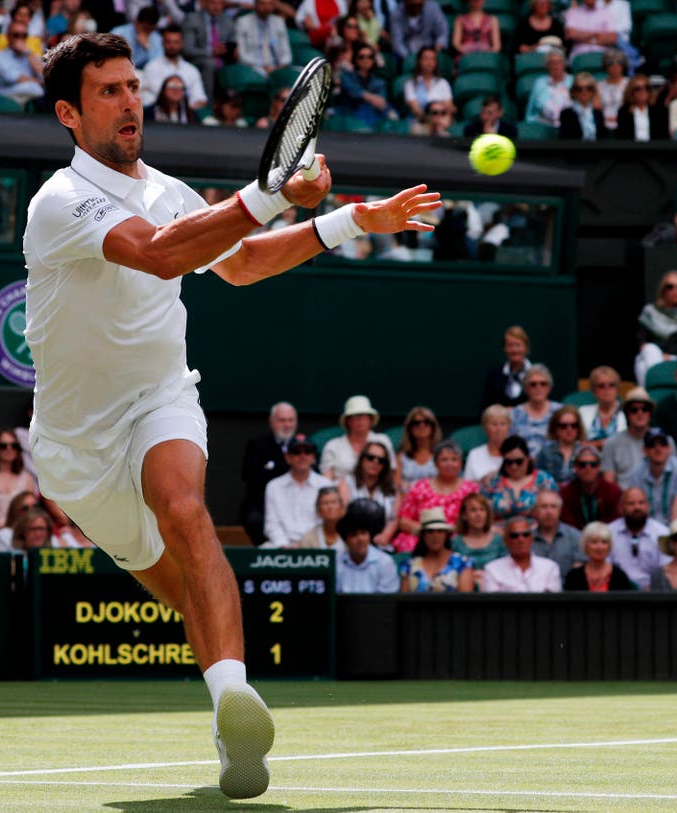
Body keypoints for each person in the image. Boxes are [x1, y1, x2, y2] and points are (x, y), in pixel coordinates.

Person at [27, 31, 439, 799]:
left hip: (160, 396)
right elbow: (156, 253)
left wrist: (350, 220)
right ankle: (227, 695)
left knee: (186, 510)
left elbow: (243, 263)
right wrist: (271, 193)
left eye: (130, 86)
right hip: (76, 452)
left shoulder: (169, 189)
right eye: (106, 93)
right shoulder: (58, 201)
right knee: (185, 590)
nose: (128, 104)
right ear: (68, 115)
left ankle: (231, 706)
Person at [392, 440, 476, 552]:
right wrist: (428, 534)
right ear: (435, 464)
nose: (449, 464)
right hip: (422, 536)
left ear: (461, 464)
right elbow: (404, 520)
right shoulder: (420, 487)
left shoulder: (471, 490)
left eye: (454, 459)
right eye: (444, 460)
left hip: (459, 538)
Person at [239, 402, 296, 546]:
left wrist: (273, 467)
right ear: (272, 422)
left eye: (290, 420)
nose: (287, 425)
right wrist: (285, 468)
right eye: (282, 420)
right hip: (263, 504)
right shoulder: (257, 444)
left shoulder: (303, 445)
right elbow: (249, 475)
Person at [263, 435, 332, 547]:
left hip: (317, 544)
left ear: (313, 457)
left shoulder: (325, 485)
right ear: (287, 457)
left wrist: (307, 543)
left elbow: (328, 521)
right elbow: (271, 524)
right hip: (282, 545)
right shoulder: (274, 486)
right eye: (296, 452)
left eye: (307, 452)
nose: (302, 456)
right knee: (264, 550)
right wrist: (284, 544)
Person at [634, 271, 677, 384]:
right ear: (663, 290)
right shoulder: (650, 312)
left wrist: (674, 358)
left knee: (643, 365)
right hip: (653, 356)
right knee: (648, 352)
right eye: (670, 287)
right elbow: (642, 342)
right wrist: (658, 356)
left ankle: (653, 391)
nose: (675, 291)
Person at [623, 428, 677, 524]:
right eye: (652, 445)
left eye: (663, 444)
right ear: (645, 450)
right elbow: (636, 508)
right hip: (648, 529)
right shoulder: (637, 473)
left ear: (669, 448)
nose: (658, 448)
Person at [481, 435, 558, 523]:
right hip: (498, 531)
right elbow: (481, 509)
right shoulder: (491, 481)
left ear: (528, 458)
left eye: (519, 461)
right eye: (509, 462)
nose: (514, 466)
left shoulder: (545, 480)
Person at [607, 486, 670, 589]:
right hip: (617, 593)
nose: (637, 508)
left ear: (648, 506)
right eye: (631, 504)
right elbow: (604, 569)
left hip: (653, 593)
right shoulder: (609, 532)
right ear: (621, 508)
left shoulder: (663, 533)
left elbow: (666, 571)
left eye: (641, 503)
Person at [399, 506, 474, 592]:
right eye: (430, 531)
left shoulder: (462, 563)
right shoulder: (409, 565)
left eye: (440, 531)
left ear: (446, 534)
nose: (435, 536)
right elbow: (404, 600)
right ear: (423, 535)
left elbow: (466, 600)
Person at [320, 395, 393, 481]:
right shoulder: (332, 446)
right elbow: (326, 479)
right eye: (355, 416)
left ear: (370, 419)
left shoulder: (383, 441)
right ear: (348, 421)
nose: (360, 420)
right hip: (339, 493)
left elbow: (391, 473)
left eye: (364, 416)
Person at [482, 514, 562, 592]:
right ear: (505, 541)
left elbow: (554, 602)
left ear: (531, 539)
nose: (521, 539)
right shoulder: (492, 569)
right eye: (514, 535)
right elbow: (492, 604)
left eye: (525, 534)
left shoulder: (550, 567)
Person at [340, 440, 399, 547]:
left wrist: (385, 535)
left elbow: (395, 519)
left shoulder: (393, 489)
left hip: (381, 544)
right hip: (351, 543)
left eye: (381, 460)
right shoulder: (347, 483)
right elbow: (342, 514)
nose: (375, 462)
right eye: (370, 458)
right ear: (362, 459)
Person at [335, 498, 399, 593]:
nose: (360, 539)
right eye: (354, 535)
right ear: (346, 540)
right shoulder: (336, 563)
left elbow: (387, 602)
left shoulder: (385, 562)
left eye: (363, 533)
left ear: (369, 536)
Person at [141, 25, 208, 108]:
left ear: (182, 43)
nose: (172, 46)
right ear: (163, 43)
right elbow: (164, 96)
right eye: (168, 42)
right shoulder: (151, 67)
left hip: (185, 117)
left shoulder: (192, 70)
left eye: (176, 42)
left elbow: (200, 98)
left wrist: (187, 111)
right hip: (158, 116)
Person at [600, 386, 657, 483]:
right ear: (627, 414)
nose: (640, 413)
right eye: (634, 410)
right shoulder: (612, 443)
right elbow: (609, 483)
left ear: (650, 413)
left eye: (645, 409)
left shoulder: (664, 441)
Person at [449, 492, 505, 587]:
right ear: (464, 515)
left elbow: (506, 569)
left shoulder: (499, 541)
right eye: (473, 510)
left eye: (482, 510)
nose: (479, 514)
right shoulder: (455, 543)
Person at [560, 443, 621, 528]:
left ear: (599, 467)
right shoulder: (566, 494)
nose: (588, 469)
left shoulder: (613, 491)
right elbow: (567, 526)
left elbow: (616, 523)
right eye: (582, 465)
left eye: (593, 464)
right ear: (575, 467)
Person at [564, 520, 636, 591]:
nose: (600, 547)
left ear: (609, 546)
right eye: (594, 542)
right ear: (585, 545)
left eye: (604, 542)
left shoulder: (620, 577)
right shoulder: (573, 577)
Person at [510, 364, 562, 458]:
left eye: (543, 384)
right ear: (525, 388)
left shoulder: (560, 412)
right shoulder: (515, 414)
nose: (538, 388)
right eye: (533, 384)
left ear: (549, 388)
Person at [529, 488, 583, 573]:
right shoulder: (525, 539)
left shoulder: (575, 537)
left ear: (560, 510)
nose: (549, 511)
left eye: (553, 506)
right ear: (535, 511)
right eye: (544, 506)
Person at [0, 20, 44, 106]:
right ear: (8, 37)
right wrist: (41, 83)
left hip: (28, 94)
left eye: (24, 35)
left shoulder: (29, 55)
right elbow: (15, 79)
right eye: (16, 35)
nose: (20, 39)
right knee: (34, 88)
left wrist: (29, 54)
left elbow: (44, 75)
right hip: (4, 93)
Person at [336, 42, 388, 127]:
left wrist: (365, 97)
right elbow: (353, 92)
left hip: (374, 120)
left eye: (370, 57)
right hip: (351, 120)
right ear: (356, 60)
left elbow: (382, 102)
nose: (366, 60)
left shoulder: (379, 81)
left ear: (373, 60)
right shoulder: (346, 76)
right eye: (362, 57)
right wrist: (371, 98)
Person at [481, 325, 532, 410]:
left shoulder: (537, 376)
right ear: (504, 348)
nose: (514, 350)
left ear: (526, 347)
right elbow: (486, 408)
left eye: (518, 345)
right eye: (510, 345)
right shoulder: (494, 376)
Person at [234, 0, 291, 75]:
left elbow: (287, 53)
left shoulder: (279, 22)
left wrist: (280, 66)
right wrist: (263, 66)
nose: (266, 7)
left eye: (270, 4)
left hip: (277, 68)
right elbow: (242, 56)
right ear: (255, 5)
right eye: (262, 4)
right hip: (253, 68)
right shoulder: (243, 22)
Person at [535, 405, 585, 487]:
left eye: (574, 425)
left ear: (579, 428)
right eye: (563, 426)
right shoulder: (545, 453)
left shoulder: (585, 452)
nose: (569, 429)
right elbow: (537, 481)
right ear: (555, 428)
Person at [396, 405, 442, 493]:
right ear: (410, 428)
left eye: (427, 422)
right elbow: (397, 484)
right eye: (416, 423)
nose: (422, 426)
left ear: (433, 427)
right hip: (407, 499)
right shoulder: (401, 455)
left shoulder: (441, 453)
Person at [565, 0, 629, 62]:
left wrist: (582, 37)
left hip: (602, 55)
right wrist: (596, 34)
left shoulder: (605, 13)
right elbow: (570, 34)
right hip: (579, 54)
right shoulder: (573, 12)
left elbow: (612, 38)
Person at [577, 366, 625, 449]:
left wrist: (595, 444)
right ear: (593, 390)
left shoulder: (628, 411)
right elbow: (576, 443)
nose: (607, 389)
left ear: (617, 388)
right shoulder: (582, 412)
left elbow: (627, 442)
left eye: (611, 385)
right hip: (588, 460)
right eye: (601, 386)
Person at [403, 45, 451, 124]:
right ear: (419, 61)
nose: (430, 62)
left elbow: (448, 108)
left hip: (441, 124)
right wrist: (431, 121)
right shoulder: (410, 84)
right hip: (419, 123)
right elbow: (415, 109)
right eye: (426, 58)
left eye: (433, 59)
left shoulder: (443, 83)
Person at [525, 45, 571, 127]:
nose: (556, 65)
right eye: (552, 63)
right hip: (543, 125)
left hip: (568, 125)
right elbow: (531, 109)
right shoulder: (540, 83)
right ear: (547, 65)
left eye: (559, 62)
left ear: (564, 64)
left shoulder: (573, 81)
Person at [464, 404, 511, 481]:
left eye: (503, 424)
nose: (499, 429)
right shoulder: (474, 454)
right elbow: (468, 485)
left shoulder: (518, 454)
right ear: (485, 427)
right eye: (494, 424)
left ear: (509, 426)